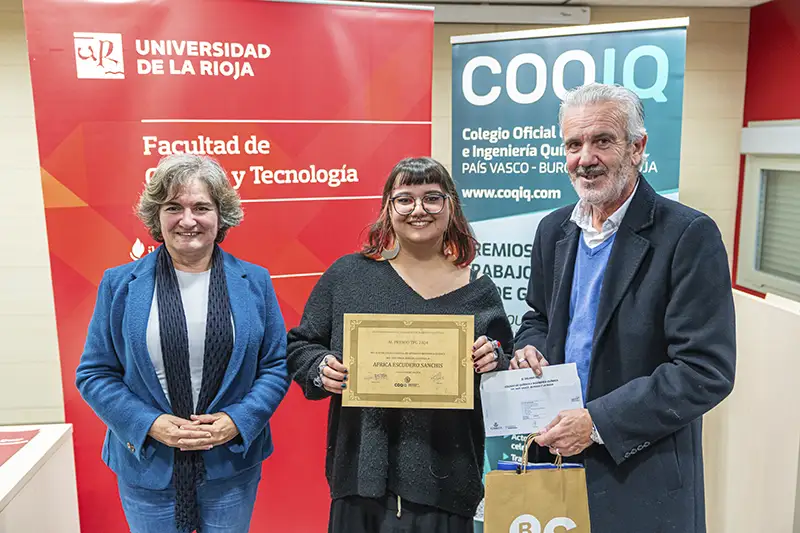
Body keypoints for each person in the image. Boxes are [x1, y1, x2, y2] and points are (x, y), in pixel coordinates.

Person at [512, 83, 736, 533]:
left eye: (602, 141)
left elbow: (704, 370)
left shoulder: (687, 235)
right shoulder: (553, 229)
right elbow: (537, 317)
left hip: (640, 475)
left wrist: (597, 422)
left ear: (637, 148)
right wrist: (529, 347)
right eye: (574, 144)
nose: (585, 158)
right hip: (555, 466)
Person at [286, 157, 514, 533]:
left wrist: (494, 358)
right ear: (387, 209)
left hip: (447, 481)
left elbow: (503, 366)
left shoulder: (479, 291)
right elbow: (301, 345)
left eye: (432, 198)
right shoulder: (348, 277)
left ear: (451, 206)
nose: (418, 210)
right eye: (404, 199)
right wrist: (319, 367)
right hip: (361, 480)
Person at [75, 153, 289, 533]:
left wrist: (236, 421)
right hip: (148, 465)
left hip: (230, 463)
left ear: (221, 216)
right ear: (156, 216)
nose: (188, 220)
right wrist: (150, 423)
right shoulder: (119, 284)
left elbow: (274, 366)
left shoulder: (255, 282)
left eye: (201, 207)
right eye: (174, 207)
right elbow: (95, 374)